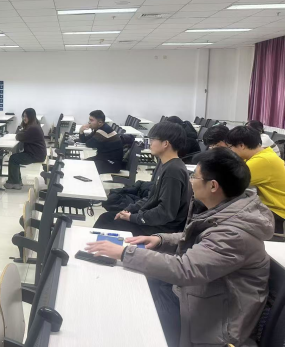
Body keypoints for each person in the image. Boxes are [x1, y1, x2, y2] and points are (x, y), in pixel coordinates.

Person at [86, 148, 273, 347]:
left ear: (213, 186)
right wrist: (160, 240)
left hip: (212, 322)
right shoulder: (226, 210)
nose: (191, 181)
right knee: (132, 282)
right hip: (199, 294)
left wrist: (125, 253)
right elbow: (200, 242)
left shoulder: (234, 234)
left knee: (130, 313)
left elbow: (185, 270)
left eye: (195, 176)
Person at [93, 121, 191, 236]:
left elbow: (165, 213)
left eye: (153, 139)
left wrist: (134, 218)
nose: (150, 143)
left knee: (107, 222)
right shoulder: (169, 165)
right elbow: (151, 198)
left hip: (163, 228)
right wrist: (129, 210)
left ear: (165, 143)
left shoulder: (173, 171)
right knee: (107, 217)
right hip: (157, 222)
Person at [226, 125, 285, 235]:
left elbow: (231, 183)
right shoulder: (263, 153)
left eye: (230, 147)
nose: (230, 151)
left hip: (278, 214)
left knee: (229, 219)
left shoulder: (262, 160)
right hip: (270, 208)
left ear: (241, 145)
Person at [4, 108, 46, 190]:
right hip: (37, 153)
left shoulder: (32, 128)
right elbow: (20, 133)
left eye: (26, 116)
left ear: (31, 117)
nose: (24, 118)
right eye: (23, 116)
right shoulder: (35, 124)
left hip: (35, 155)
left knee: (14, 159)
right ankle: (17, 181)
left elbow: (18, 136)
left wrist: (21, 129)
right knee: (15, 157)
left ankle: (14, 183)